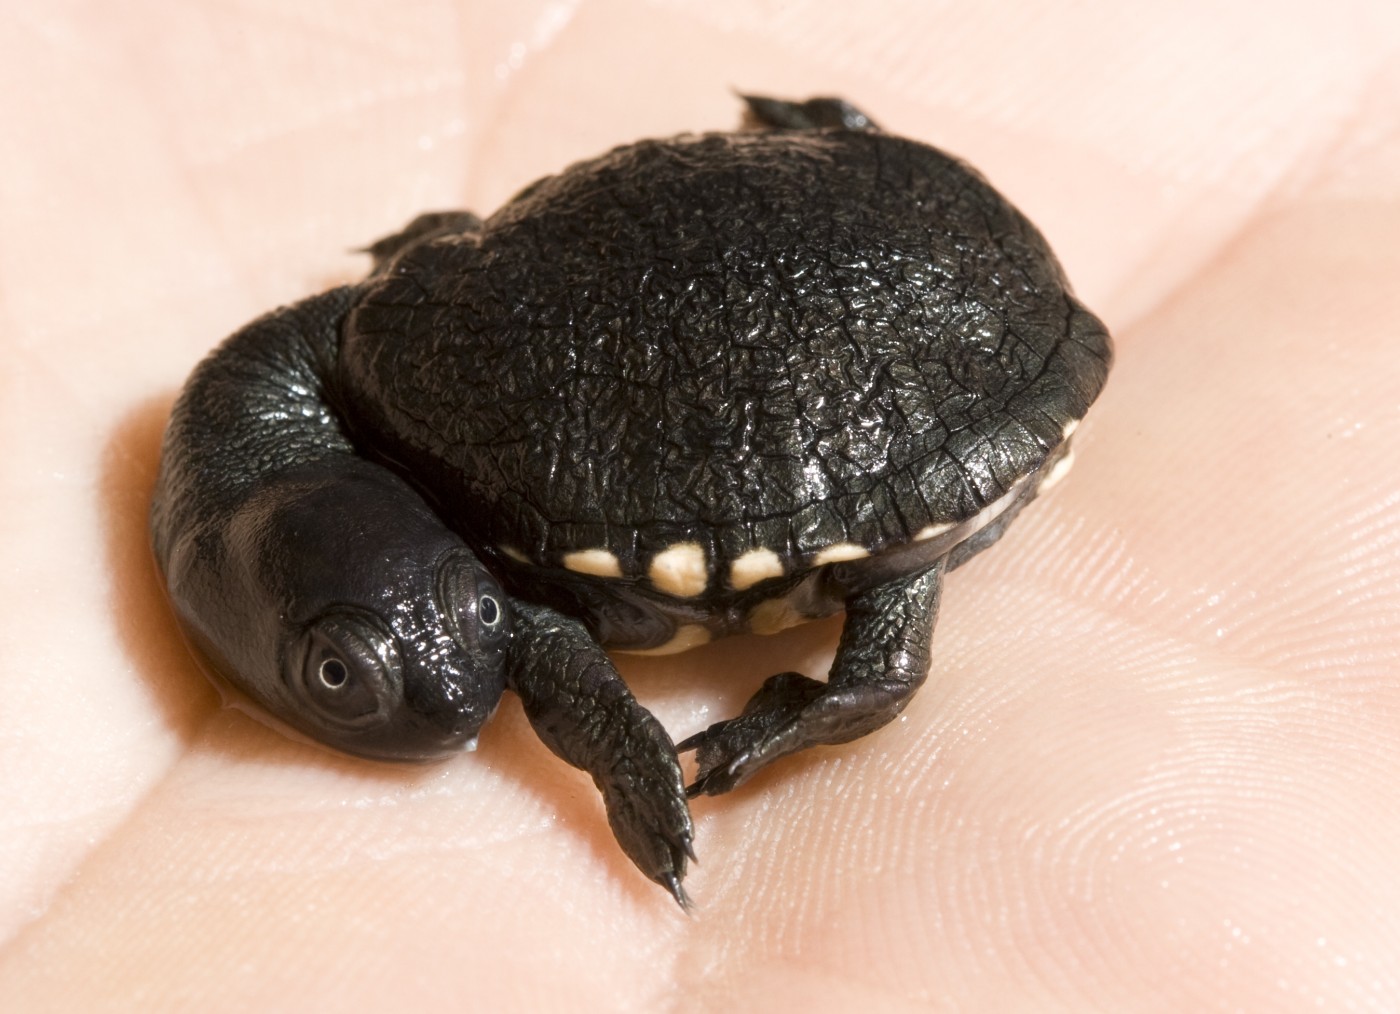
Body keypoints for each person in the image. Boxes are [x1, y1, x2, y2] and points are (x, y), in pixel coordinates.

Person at [2, 2, 1397, 1007]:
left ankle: (841, 689)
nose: (469, 654)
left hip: (919, 379)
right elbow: (532, 630)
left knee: (883, 645)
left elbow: (550, 648)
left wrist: (802, 705)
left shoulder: (405, 385)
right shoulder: (397, 330)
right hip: (872, 208)